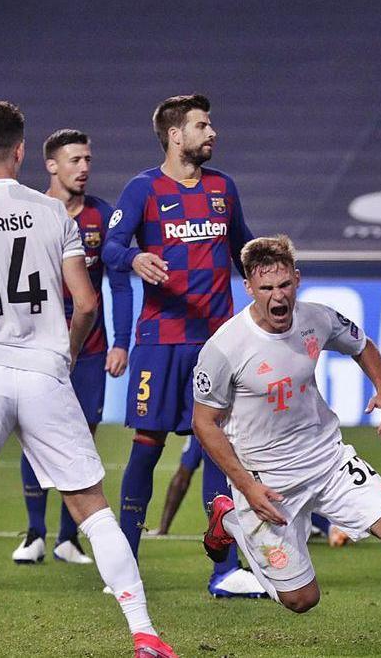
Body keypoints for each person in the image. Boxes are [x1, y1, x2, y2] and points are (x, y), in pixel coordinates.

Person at [0, 101, 176, 658]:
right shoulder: (54, 215)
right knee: (92, 507)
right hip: (43, 371)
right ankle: (144, 631)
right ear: (19, 152)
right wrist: (64, 355)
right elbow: (85, 303)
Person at [193, 235, 381, 658]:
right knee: (302, 600)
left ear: (297, 281)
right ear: (249, 288)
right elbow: (205, 423)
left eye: (285, 285)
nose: (278, 296)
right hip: (266, 482)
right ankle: (230, 519)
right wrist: (247, 489)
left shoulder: (317, 319)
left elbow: (361, 345)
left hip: (328, 461)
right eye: (267, 288)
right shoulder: (224, 348)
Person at [102, 93, 262, 597]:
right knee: (147, 450)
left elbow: (245, 250)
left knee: (218, 449)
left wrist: (272, 283)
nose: (212, 133)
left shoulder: (223, 189)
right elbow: (109, 245)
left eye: (210, 125)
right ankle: (124, 562)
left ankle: (225, 569)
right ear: (175, 135)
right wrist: (133, 259)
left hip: (215, 343)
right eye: (202, 125)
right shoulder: (143, 189)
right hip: (160, 341)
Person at [12, 128, 133, 566]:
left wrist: (122, 341)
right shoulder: (30, 212)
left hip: (92, 347)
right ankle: (34, 533)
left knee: (81, 438)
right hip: (40, 344)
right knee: (33, 434)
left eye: (87, 160)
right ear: (51, 165)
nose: (83, 168)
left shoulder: (105, 216)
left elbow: (119, 283)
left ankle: (68, 539)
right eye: (74, 160)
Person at [153, 436, 349, 548]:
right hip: (263, 454)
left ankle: (230, 560)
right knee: (279, 490)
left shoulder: (205, 424)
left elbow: (182, 477)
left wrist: (164, 527)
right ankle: (328, 525)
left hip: (242, 475)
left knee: (262, 496)